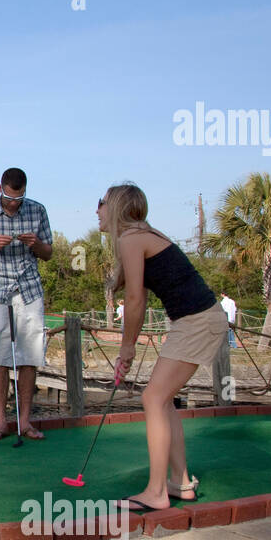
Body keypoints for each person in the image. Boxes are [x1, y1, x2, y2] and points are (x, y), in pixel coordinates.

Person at [100, 183, 225, 511]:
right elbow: (132, 292)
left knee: (153, 397)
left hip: (197, 320)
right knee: (163, 400)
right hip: (195, 320)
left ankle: (156, 492)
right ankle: (180, 482)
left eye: (101, 203)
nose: (96, 210)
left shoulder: (131, 238)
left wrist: (127, 348)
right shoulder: (141, 235)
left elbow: (135, 299)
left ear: (115, 207)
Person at [0, 168, 53, 440]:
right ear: (0, 188)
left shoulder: (37, 211)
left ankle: (25, 422)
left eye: (19, 197)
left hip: (29, 289)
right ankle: (1, 422)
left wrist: (35, 243)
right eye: (8, 197)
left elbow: (48, 253)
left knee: (30, 355)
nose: (13, 202)